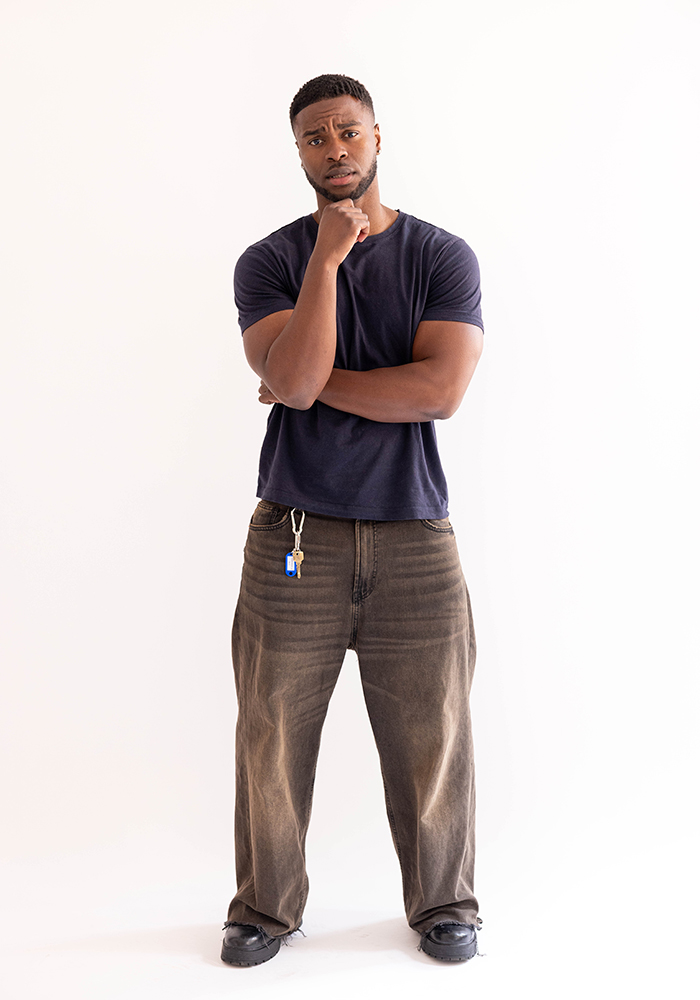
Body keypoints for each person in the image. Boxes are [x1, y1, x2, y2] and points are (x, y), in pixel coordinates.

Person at [221, 74, 484, 967]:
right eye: (314, 137)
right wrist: (327, 262)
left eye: (347, 131)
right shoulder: (270, 262)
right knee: (270, 733)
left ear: (377, 136)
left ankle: (446, 904)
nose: (334, 149)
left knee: (433, 733)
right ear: (298, 152)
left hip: (414, 532)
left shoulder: (441, 256)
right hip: (295, 535)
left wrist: (307, 384)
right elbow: (290, 383)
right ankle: (264, 908)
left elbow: (438, 391)